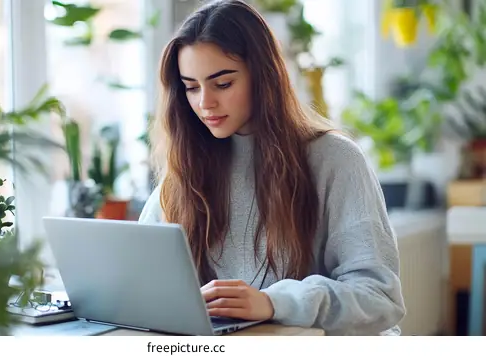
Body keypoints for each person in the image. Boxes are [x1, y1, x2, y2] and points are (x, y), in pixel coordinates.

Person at [138, 0, 405, 336]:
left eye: (222, 84)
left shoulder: (335, 159)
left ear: (263, 77)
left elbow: (380, 298)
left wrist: (275, 303)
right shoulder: (187, 165)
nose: (204, 103)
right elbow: (143, 279)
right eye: (191, 87)